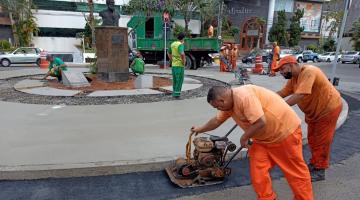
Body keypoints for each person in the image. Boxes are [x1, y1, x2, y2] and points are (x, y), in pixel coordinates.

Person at [192, 85, 313, 200]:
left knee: (295, 173)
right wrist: (200, 129)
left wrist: (244, 137)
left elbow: (260, 122)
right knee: (258, 172)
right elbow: (217, 120)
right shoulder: (229, 104)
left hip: (285, 133)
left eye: (217, 107)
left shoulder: (244, 96)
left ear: (222, 100)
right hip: (262, 140)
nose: (218, 109)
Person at [274, 55, 343, 182]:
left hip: (328, 110)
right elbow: (283, 92)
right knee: (312, 139)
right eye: (280, 71)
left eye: (283, 69)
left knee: (321, 141)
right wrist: (267, 98)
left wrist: (281, 107)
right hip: (314, 113)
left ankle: (319, 170)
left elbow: (301, 94)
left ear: (293, 64)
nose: (282, 72)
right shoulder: (294, 79)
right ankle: (315, 162)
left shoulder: (309, 71)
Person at [168, 32, 186, 98]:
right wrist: (184, 62)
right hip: (179, 65)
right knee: (180, 80)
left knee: (175, 79)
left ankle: (174, 92)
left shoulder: (172, 44)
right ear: (183, 38)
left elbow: (169, 53)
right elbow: (182, 54)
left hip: (174, 65)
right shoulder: (180, 45)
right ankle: (177, 94)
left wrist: (171, 60)